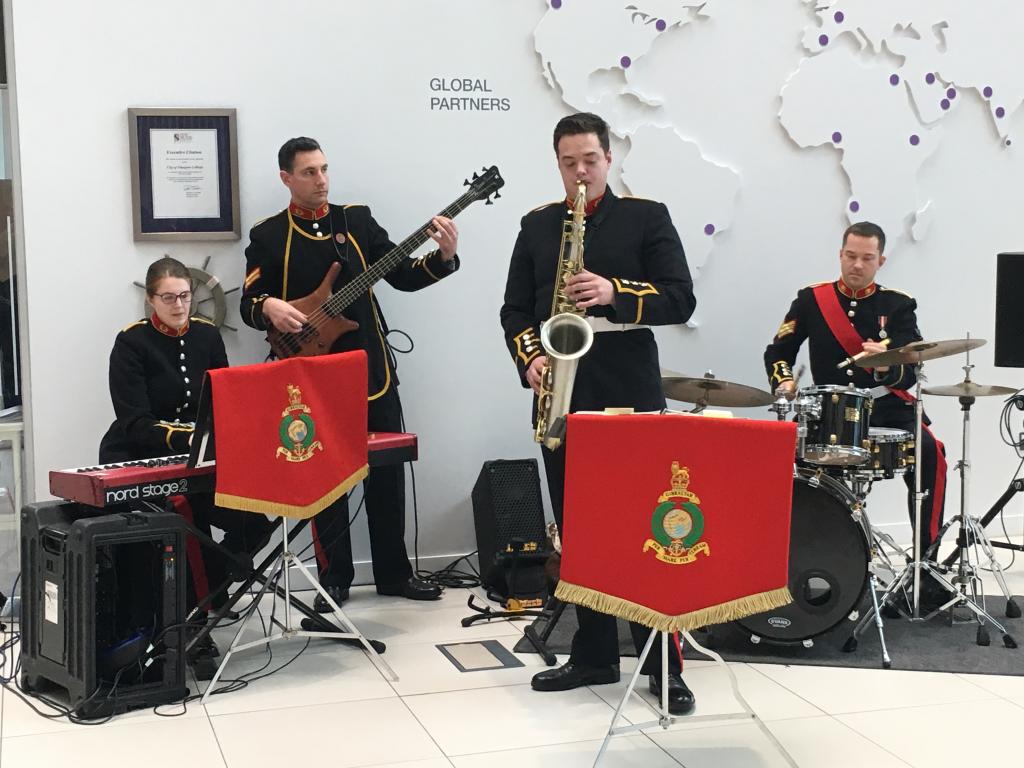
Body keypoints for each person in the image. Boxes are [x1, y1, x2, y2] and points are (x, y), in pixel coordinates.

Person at [500, 112, 698, 714]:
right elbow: (514, 312)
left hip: (629, 389)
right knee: (580, 532)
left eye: (590, 160)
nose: (580, 172)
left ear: (609, 159)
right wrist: (532, 360)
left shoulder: (647, 217)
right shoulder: (537, 226)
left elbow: (681, 297)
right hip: (561, 392)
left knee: (644, 530)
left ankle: (664, 666)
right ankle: (591, 655)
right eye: (568, 163)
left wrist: (616, 293)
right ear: (557, 163)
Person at [240, 136, 459, 605]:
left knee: (388, 473)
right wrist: (270, 308)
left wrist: (443, 257)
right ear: (286, 179)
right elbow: (248, 302)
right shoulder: (268, 234)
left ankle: (394, 574)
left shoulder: (355, 220)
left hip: (371, 368)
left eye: (324, 170)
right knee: (325, 475)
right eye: (308, 173)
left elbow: (401, 274)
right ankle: (334, 577)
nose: (320, 180)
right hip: (311, 374)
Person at [763, 221, 948, 610]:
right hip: (828, 413)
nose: (857, 265)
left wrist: (882, 366)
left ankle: (925, 565)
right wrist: (784, 383)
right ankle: (780, 565)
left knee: (931, 452)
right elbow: (778, 352)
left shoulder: (898, 305)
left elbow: (910, 369)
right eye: (851, 256)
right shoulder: (812, 300)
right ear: (840, 254)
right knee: (778, 468)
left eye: (867, 258)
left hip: (887, 407)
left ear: (880, 260)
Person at [100, 257, 274, 669]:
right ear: (150, 299)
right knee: (181, 526)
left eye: (184, 296)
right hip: (138, 454)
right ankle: (186, 625)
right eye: (168, 298)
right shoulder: (131, 342)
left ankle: (208, 598)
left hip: (198, 456)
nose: (178, 306)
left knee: (253, 521)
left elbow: (222, 400)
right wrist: (190, 438)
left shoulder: (207, 336)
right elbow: (134, 420)